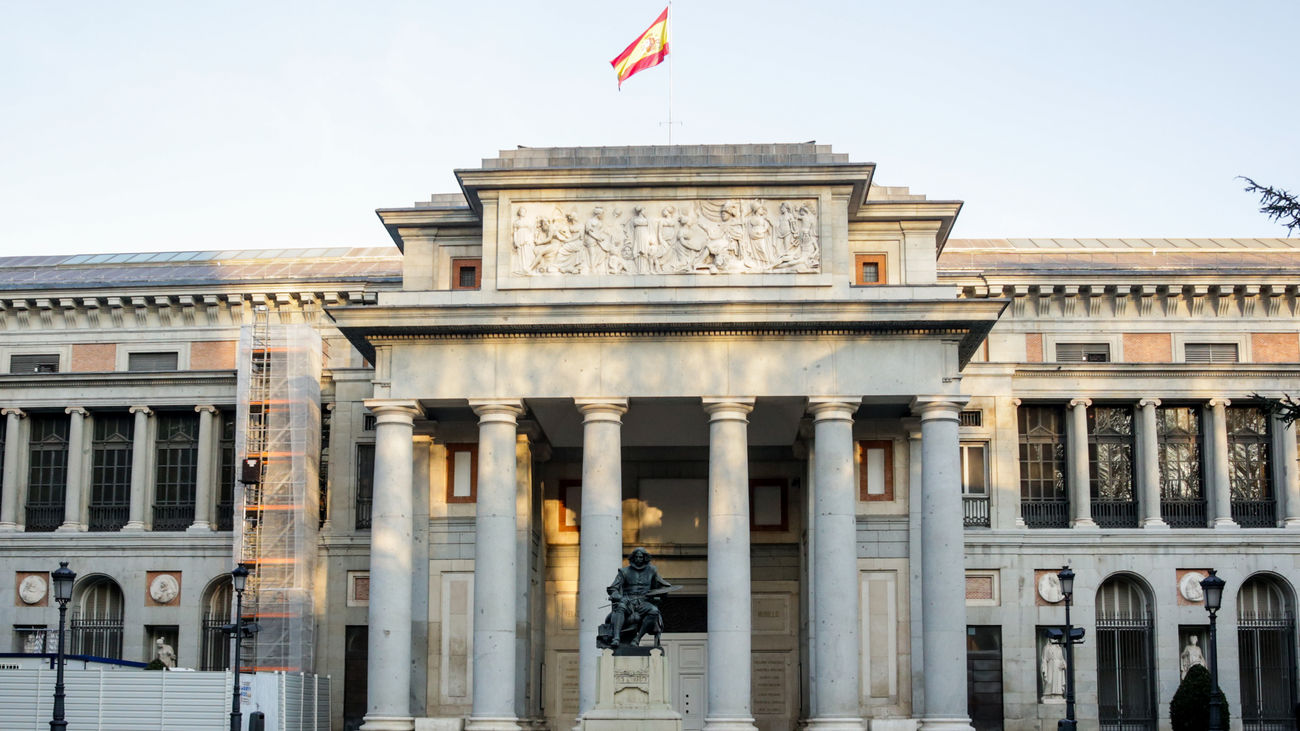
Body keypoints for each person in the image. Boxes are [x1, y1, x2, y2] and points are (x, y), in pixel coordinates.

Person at [600, 547, 671, 648]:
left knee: (654, 611)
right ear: (633, 558)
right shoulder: (624, 571)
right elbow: (612, 588)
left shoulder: (652, 571)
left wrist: (662, 592)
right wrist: (619, 596)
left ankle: (637, 639)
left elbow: (663, 586)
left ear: (644, 558)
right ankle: (616, 638)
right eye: (636, 557)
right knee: (620, 607)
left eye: (641, 557)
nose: (638, 559)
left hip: (644, 602)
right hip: (628, 601)